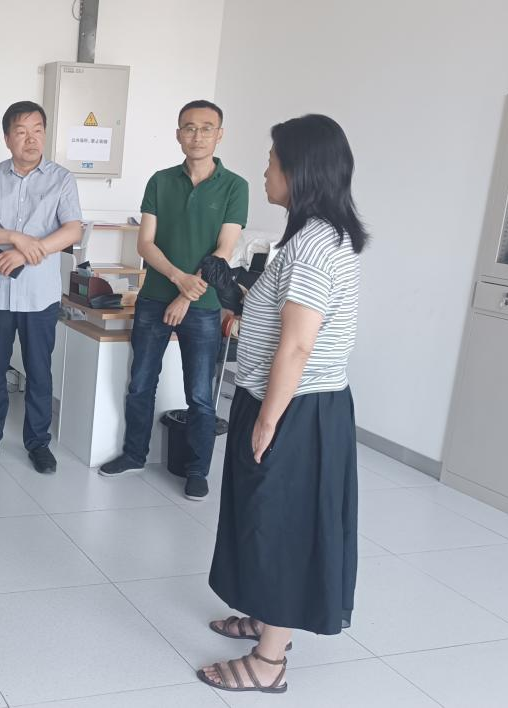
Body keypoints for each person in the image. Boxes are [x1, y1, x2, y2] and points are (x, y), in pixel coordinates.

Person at [199, 114, 366, 695]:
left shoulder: (316, 244)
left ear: (299, 171)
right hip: (279, 400)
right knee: (260, 515)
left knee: (282, 525)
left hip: (296, 410)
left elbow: (297, 346)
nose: (265, 170)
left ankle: (269, 661)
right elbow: (280, 321)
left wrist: (269, 419)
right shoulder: (309, 235)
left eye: (272, 161)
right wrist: (240, 298)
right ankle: (266, 614)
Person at [98, 100, 248, 502]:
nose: (197, 135)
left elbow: (224, 250)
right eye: (189, 127)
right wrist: (178, 279)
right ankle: (134, 455)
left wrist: (186, 294)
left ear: (219, 134)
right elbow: (145, 244)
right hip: (153, 299)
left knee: (199, 392)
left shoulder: (235, 186)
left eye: (206, 128)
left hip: (204, 305)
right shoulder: (160, 181)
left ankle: (197, 470)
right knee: (141, 383)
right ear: (178, 133)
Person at [0, 101, 82, 473]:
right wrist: (16, 238)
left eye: (37, 130)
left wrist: (28, 251)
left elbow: (73, 230)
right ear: (7, 138)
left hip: (39, 295)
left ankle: (38, 443)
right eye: (21, 131)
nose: (31, 139)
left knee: (39, 371)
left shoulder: (62, 180)